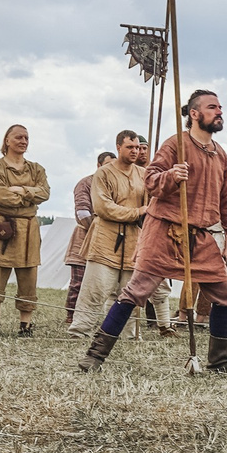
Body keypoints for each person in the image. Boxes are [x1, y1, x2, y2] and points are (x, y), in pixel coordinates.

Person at [78, 89, 227, 374]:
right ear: (194, 114)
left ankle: (220, 361)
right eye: (212, 107)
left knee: (225, 295)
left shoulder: (220, 155)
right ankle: (94, 356)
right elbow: (151, 180)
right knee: (136, 291)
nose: (219, 111)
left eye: (220, 107)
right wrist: (171, 176)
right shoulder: (176, 144)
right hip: (164, 231)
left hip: (200, 236)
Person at [74, 132, 151, 335]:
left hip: (134, 240)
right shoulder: (104, 173)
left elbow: (152, 203)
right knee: (95, 290)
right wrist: (137, 212)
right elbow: (103, 207)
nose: (135, 151)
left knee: (130, 293)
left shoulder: (143, 174)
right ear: (118, 147)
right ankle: (80, 331)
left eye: (137, 147)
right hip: (106, 239)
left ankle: (128, 335)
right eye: (130, 147)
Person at [0, 125, 50, 336]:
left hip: (29, 228)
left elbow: (45, 193)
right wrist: (29, 197)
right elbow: (0, 196)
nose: (23, 141)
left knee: (29, 277)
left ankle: (25, 326)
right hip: (2, 225)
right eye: (18, 137)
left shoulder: (36, 169)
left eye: (26, 137)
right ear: (7, 140)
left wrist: (21, 190)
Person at [62, 154, 105, 330]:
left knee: (102, 283)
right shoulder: (86, 183)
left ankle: (93, 317)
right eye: (107, 165)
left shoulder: (113, 183)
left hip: (107, 240)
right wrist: (98, 229)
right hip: (84, 236)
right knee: (78, 282)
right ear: (99, 165)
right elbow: (82, 212)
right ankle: (71, 316)